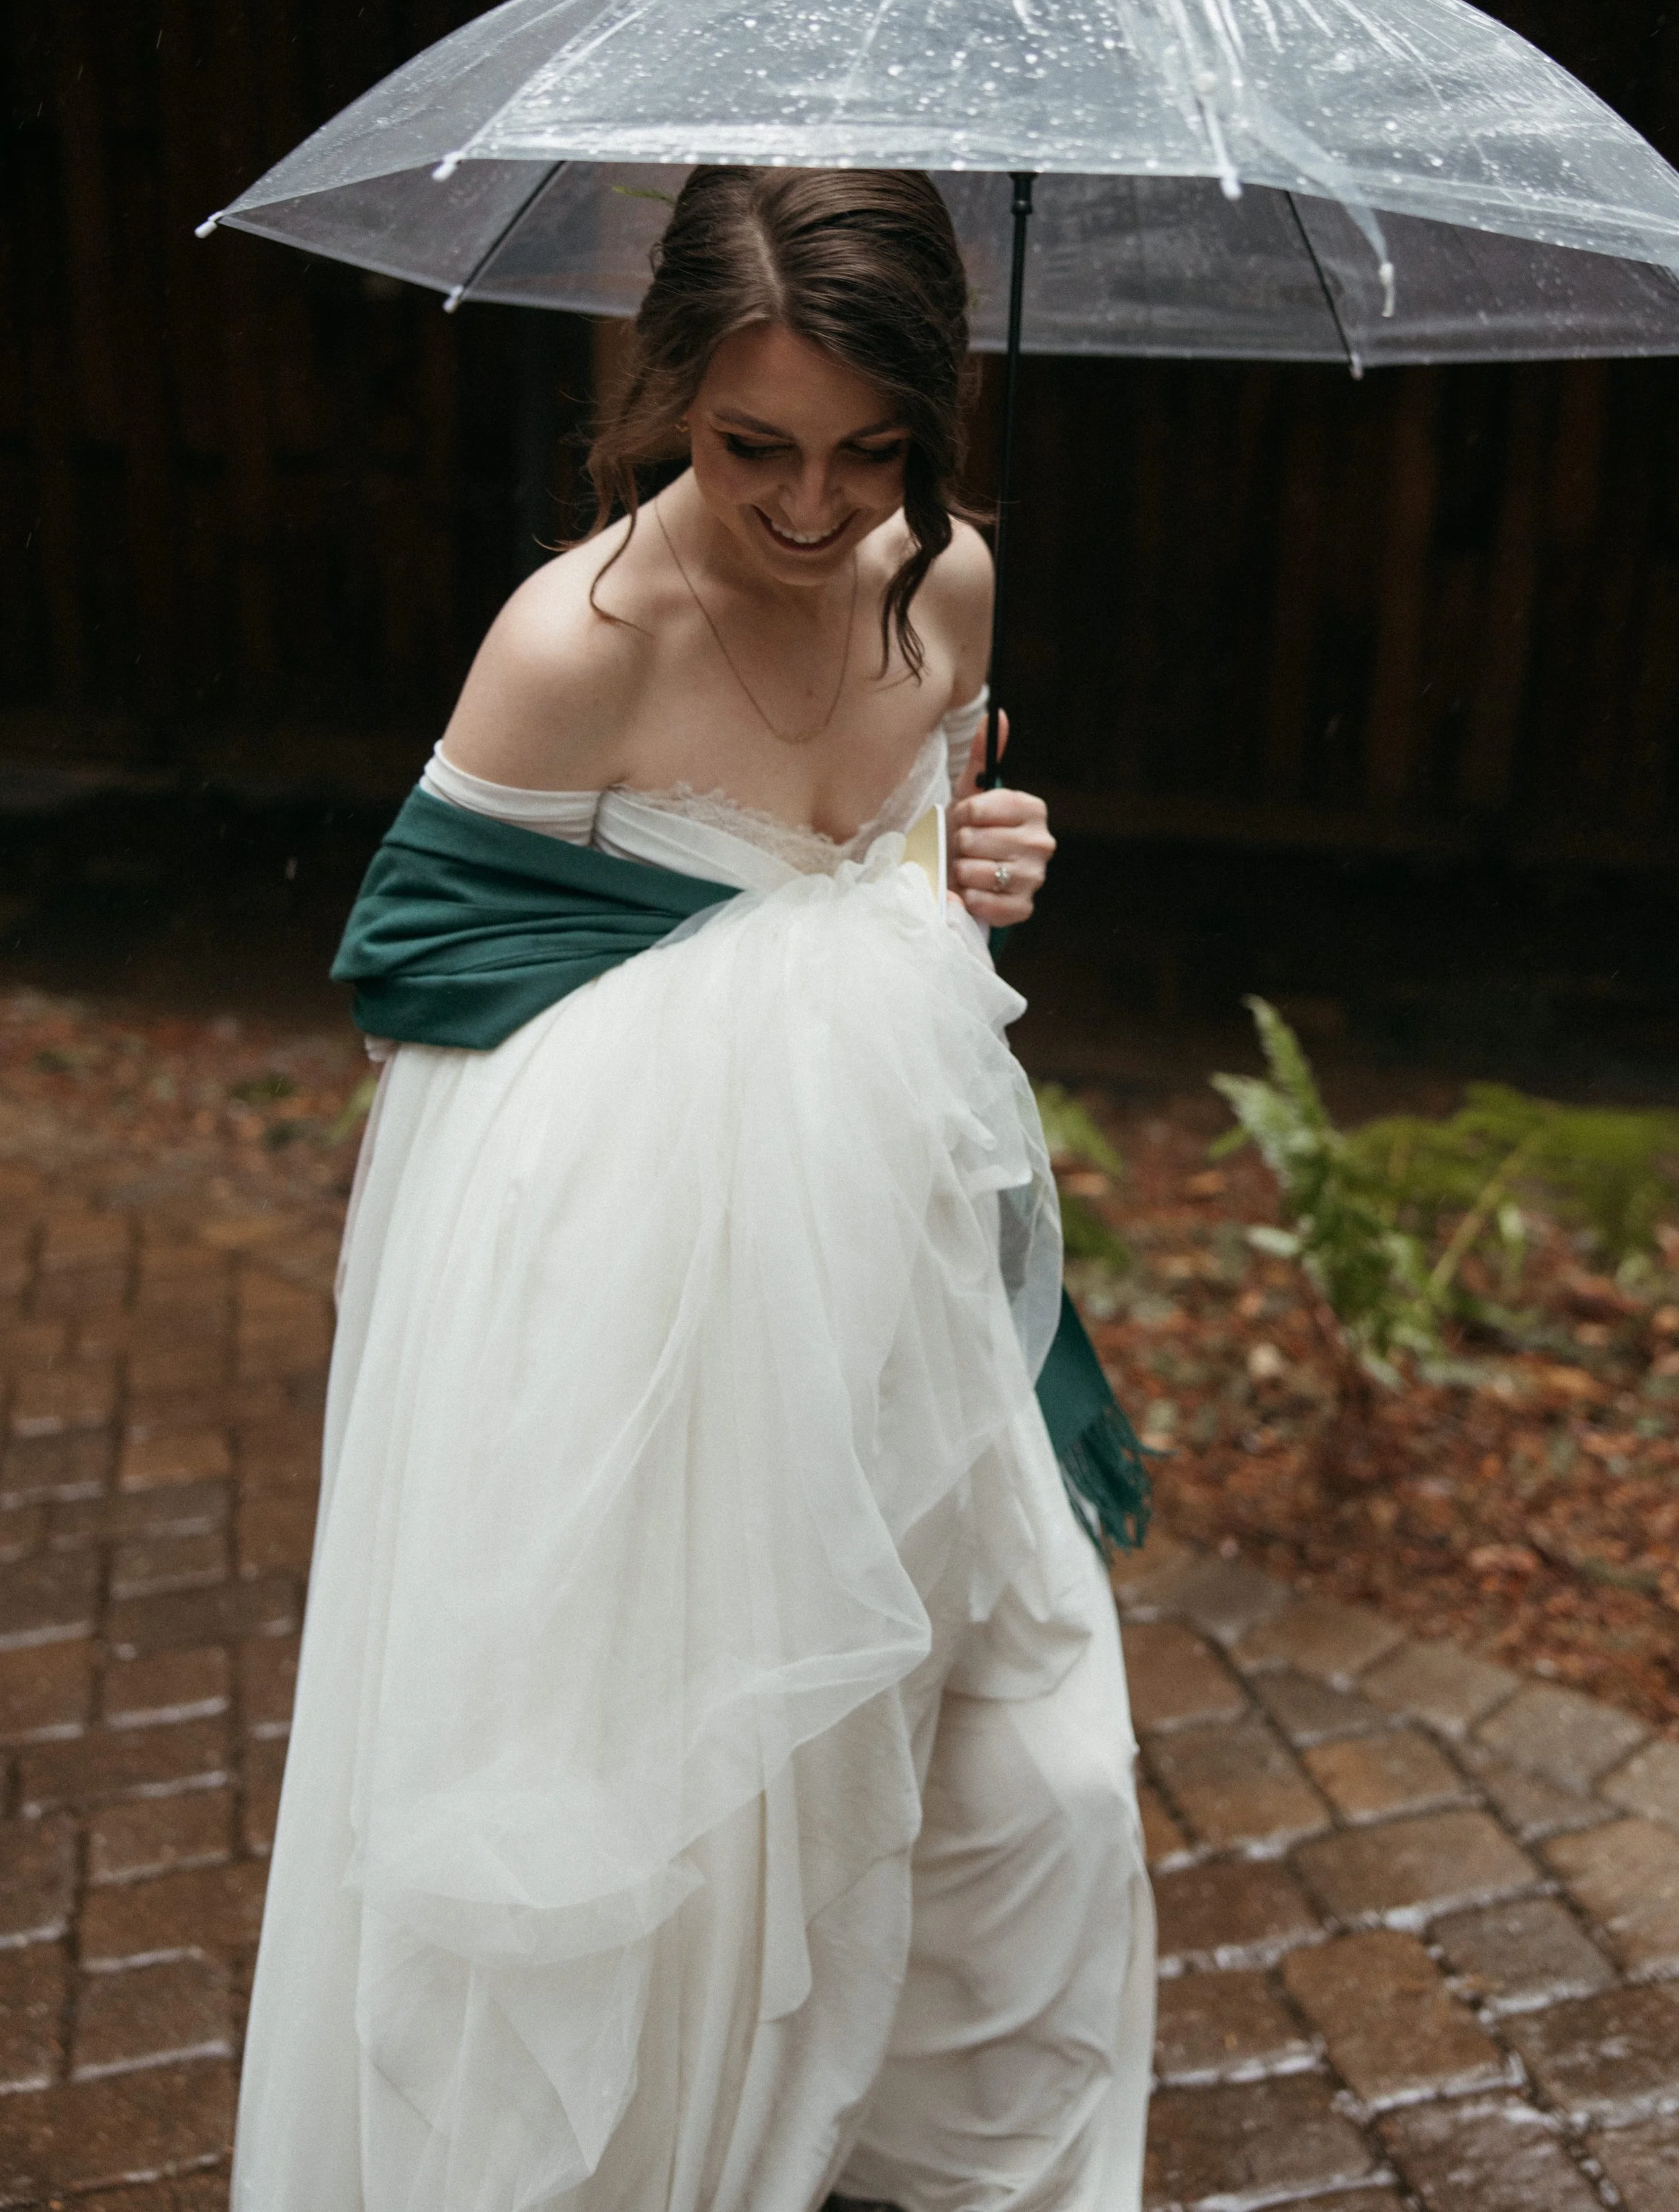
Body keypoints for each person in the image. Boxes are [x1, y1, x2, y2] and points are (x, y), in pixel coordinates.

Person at [232, 167, 1154, 2212]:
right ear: (666, 395)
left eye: (869, 448)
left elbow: (903, 915)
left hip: (893, 1298)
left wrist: (957, 877)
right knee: (680, 1854)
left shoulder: (953, 586)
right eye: (754, 447)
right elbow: (423, 980)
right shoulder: (577, 646)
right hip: (642, 1332)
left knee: (1045, 1797)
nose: (815, 507)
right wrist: (788, 972)